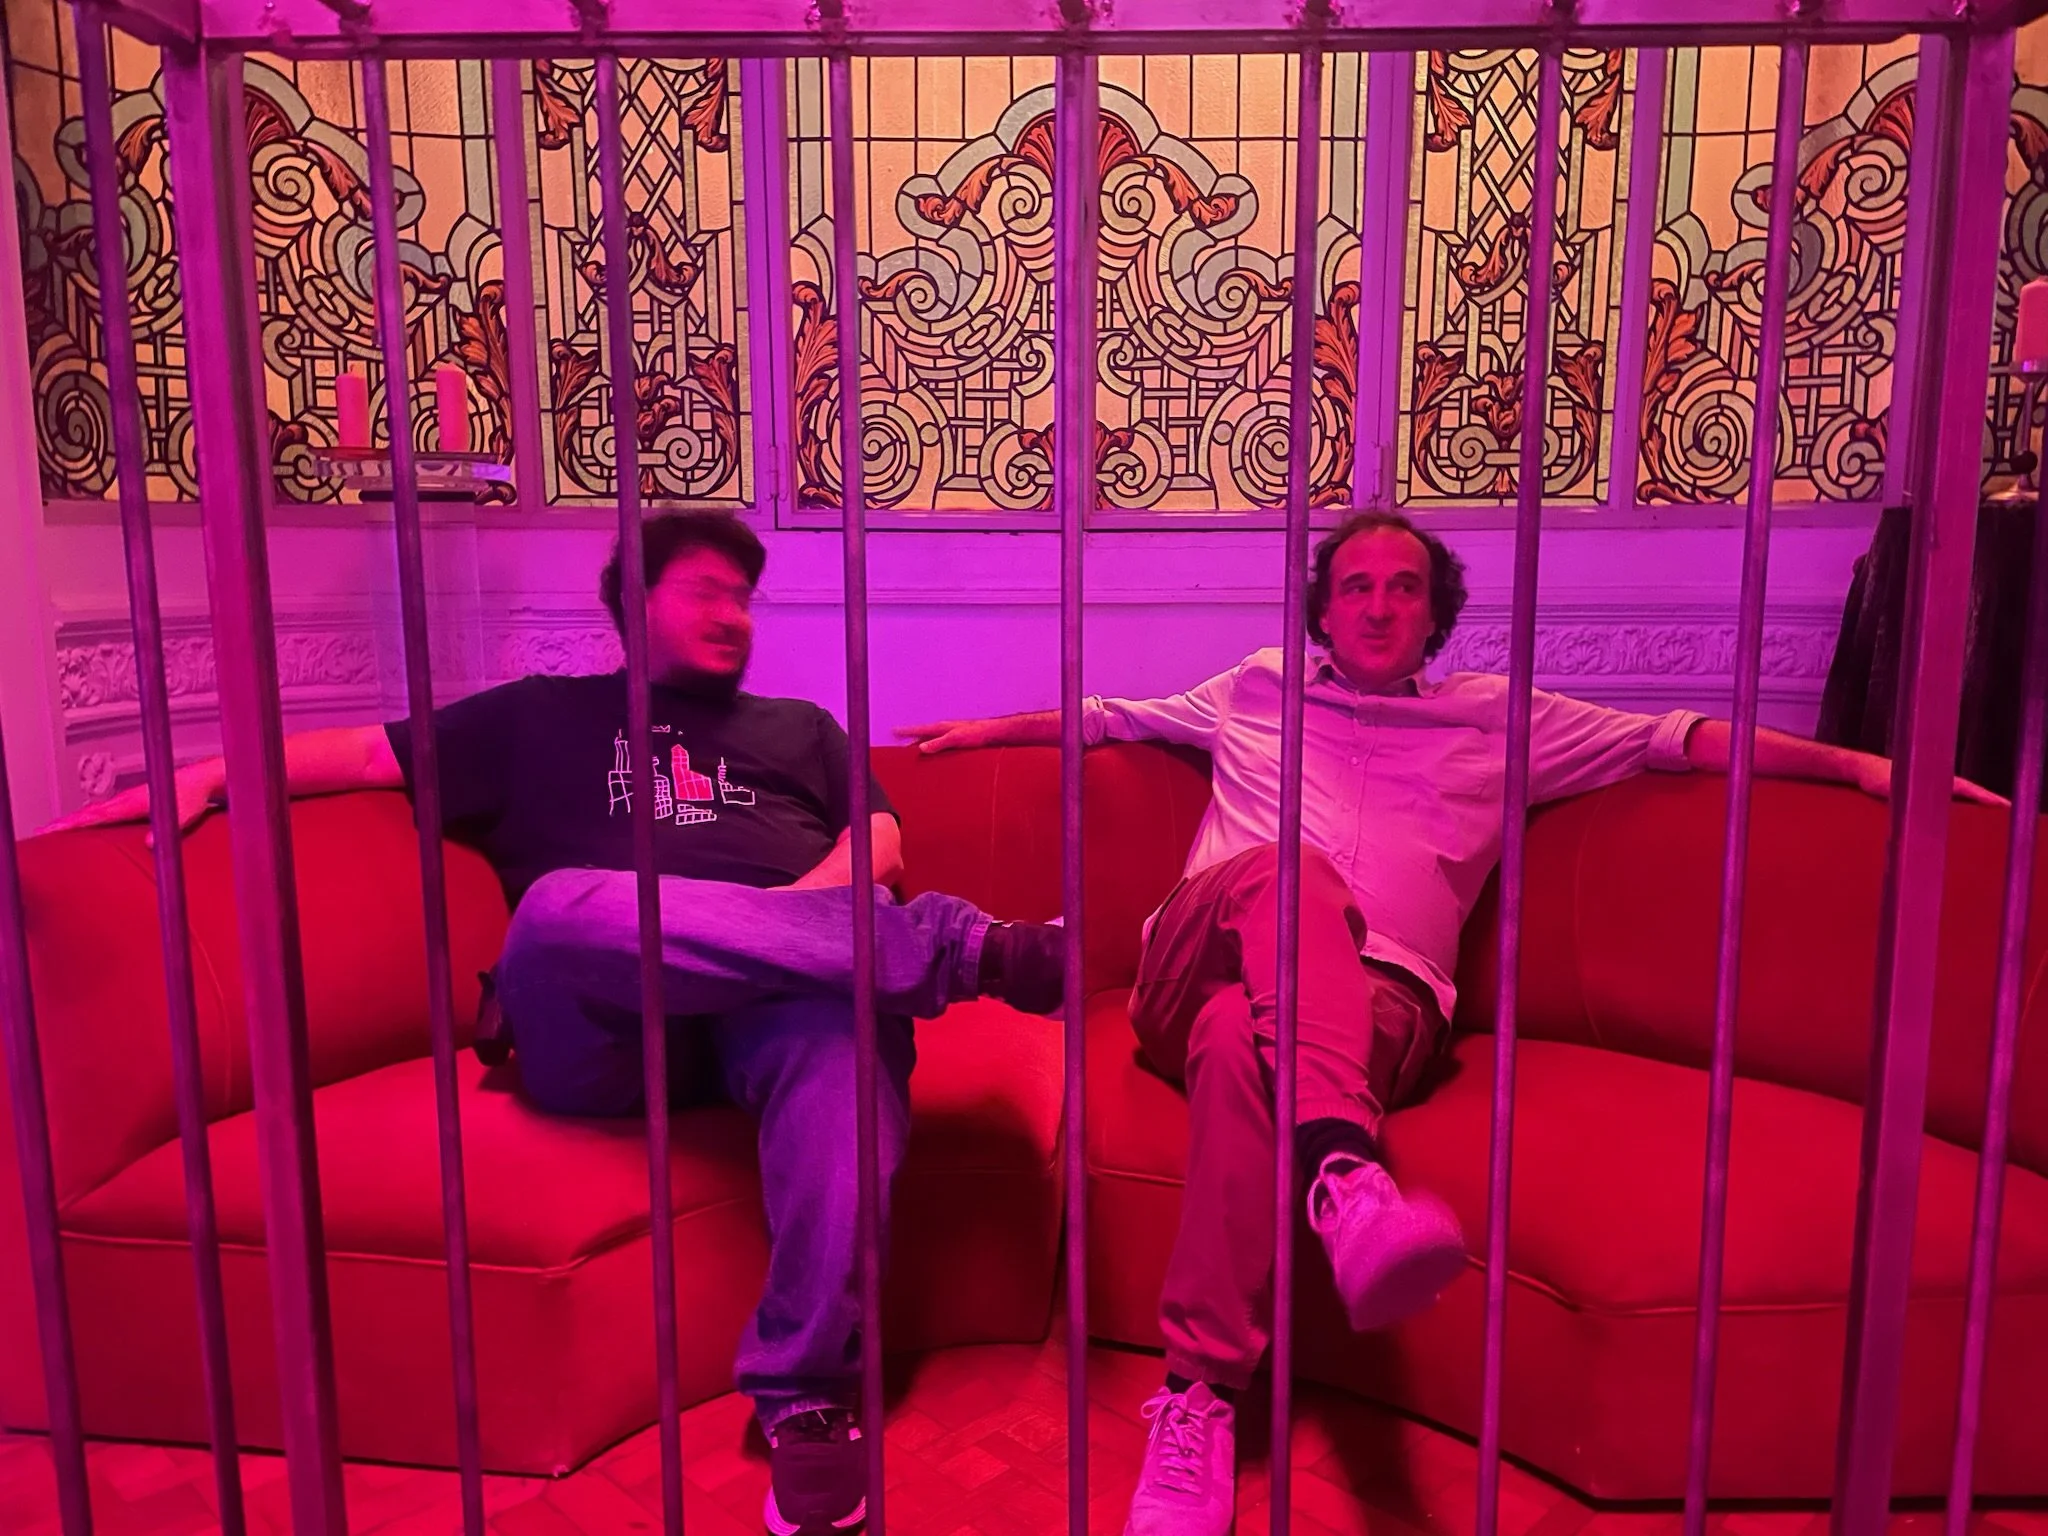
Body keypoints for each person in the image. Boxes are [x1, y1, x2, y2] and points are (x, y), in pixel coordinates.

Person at [901, 509, 2001, 1536]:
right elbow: (1108, 717)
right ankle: (1344, 1175)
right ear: (1322, 608)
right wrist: (983, 731)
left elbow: (1682, 739)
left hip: (1376, 1004)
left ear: (1436, 613)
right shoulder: (1255, 687)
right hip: (1194, 957)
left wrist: (1864, 767)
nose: (1378, 605)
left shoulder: (1502, 721)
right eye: (1355, 586)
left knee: (1241, 1041)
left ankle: (1197, 1399)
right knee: (1288, 875)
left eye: (1404, 587)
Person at [50, 510, 1062, 1536]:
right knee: (564, 904)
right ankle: (963, 950)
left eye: (743, 597)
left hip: (774, 1003)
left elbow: (880, 845)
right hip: (603, 1019)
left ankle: (804, 1395)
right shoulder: (533, 717)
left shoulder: (799, 728)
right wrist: (211, 772)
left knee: (846, 1042)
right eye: (704, 591)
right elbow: (362, 753)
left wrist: (773, 935)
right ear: (632, 604)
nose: (732, 615)